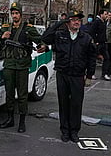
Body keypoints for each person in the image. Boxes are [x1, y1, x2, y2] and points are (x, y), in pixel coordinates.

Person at [39, 11, 97, 142]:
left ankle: (74, 131)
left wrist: (89, 75)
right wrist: (60, 22)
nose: (77, 22)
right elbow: (45, 37)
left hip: (77, 76)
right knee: (63, 103)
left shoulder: (86, 38)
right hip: (63, 74)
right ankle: (65, 130)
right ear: (68, 22)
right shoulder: (60, 36)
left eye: (79, 20)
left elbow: (91, 57)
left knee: (76, 104)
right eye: (73, 20)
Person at [0, 2, 41, 133]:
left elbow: (39, 40)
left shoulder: (28, 28)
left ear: (21, 14)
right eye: (12, 13)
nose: (14, 16)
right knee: (9, 94)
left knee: (22, 95)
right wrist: (2, 37)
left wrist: (42, 46)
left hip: (22, 66)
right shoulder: (5, 28)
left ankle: (22, 122)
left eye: (16, 13)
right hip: (9, 65)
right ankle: (10, 119)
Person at [88, 9, 109, 80]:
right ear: (101, 14)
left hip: (103, 43)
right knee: (93, 58)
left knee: (107, 58)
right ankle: (91, 73)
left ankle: (105, 74)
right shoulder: (96, 22)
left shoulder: (104, 22)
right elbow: (91, 32)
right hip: (98, 43)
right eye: (105, 14)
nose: (106, 16)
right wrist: (95, 41)